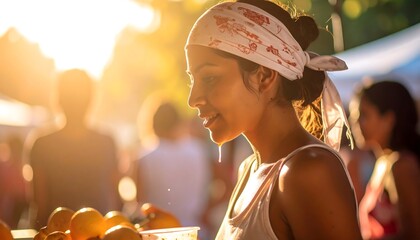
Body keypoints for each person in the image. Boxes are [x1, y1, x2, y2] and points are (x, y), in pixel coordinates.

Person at [142, 0, 363, 239]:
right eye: (192, 80)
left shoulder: (309, 171)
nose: (192, 99)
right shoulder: (249, 169)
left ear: (264, 77)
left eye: (208, 78)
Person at [27, 69, 121, 228]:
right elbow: (116, 200)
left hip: (57, 235)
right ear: (91, 100)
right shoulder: (106, 143)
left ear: (59, 99)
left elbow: (39, 204)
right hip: (97, 235)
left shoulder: (41, 144)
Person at [347, 80, 420, 240]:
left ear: (388, 119)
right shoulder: (383, 161)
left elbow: (415, 233)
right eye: (354, 117)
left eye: (363, 115)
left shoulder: (402, 165)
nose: (355, 123)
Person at [135, 97, 211, 236]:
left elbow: (140, 203)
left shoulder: (144, 157)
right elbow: (228, 184)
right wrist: (206, 210)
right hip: (196, 232)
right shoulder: (198, 150)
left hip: (160, 234)